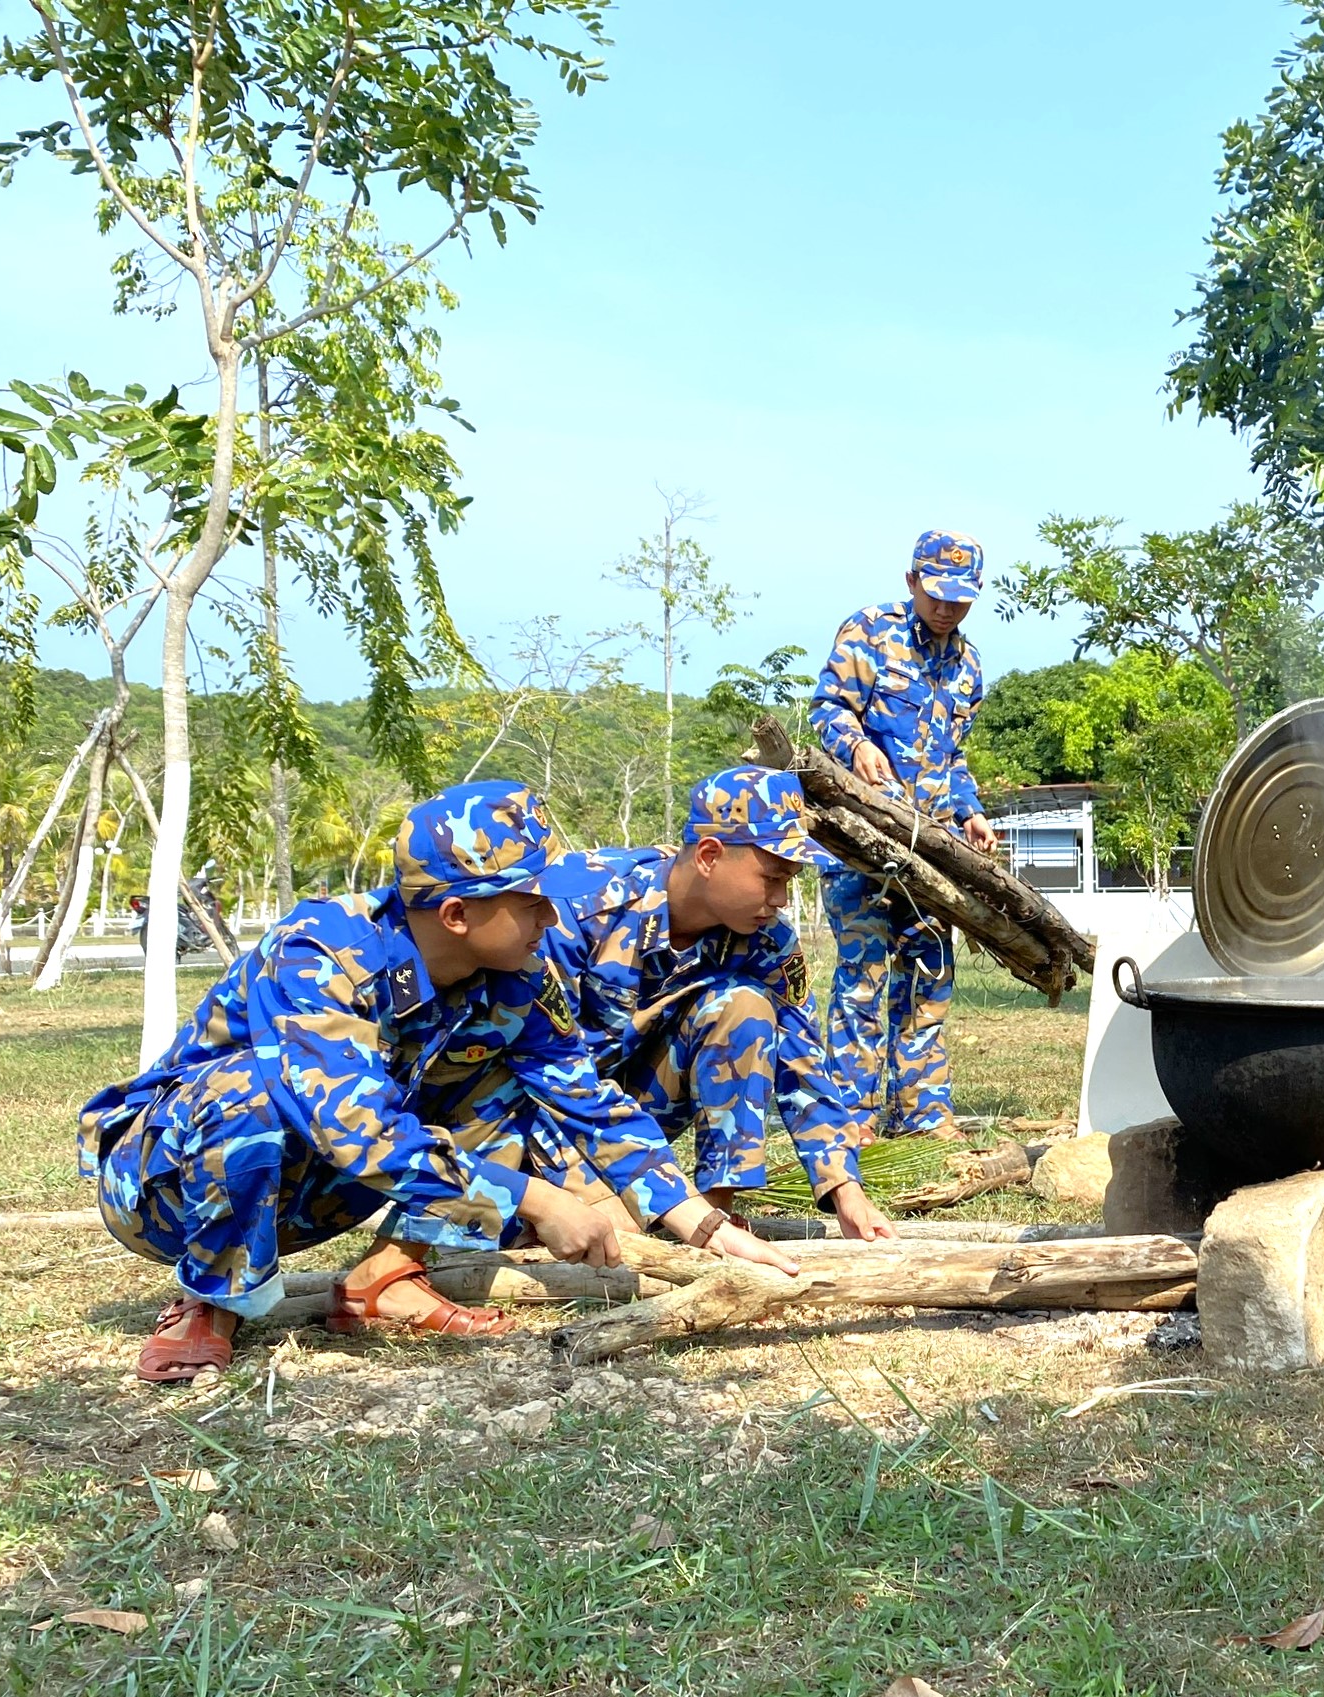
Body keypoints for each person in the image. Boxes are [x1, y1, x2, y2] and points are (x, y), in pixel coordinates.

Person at [80, 781, 800, 1386]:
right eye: (531, 903)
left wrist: (701, 1223)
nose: (552, 918)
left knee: (501, 1076)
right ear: (456, 914)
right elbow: (357, 1130)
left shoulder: (513, 978)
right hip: (163, 1187)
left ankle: (384, 1281)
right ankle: (211, 1299)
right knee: (251, 1089)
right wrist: (534, 1198)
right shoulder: (319, 954)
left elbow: (586, 1098)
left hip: (310, 1189)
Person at [534, 766, 896, 1241]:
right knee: (595, 1231)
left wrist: (845, 1189)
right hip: (543, 1112)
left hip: (632, 1109)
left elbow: (803, 1062)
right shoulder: (580, 908)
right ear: (709, 855)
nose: (780, 899)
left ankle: (715, 1211)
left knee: (743, 1006)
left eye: (789, 881)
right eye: (771, 877)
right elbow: (534, 1066)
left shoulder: (767, 938)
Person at [809, 530, 999, 1139]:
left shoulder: (967, 666)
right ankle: (855, 1116)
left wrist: (970, 811)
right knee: (863, 975)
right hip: (862, 841)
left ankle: (920, 1111)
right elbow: (828, 709)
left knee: (930, 973)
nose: (947, 607)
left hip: (935, 849)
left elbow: (954, 758)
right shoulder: (867, 632)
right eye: (938, 593)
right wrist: (857, 744)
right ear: (912, 579)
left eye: (961, 598)